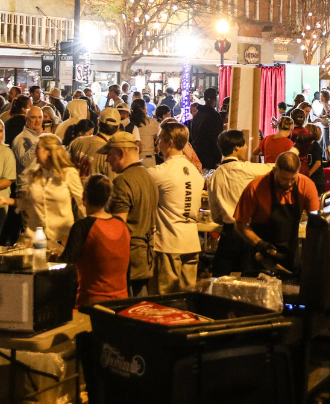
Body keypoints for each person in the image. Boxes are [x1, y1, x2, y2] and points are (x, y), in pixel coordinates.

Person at [234, 152, 319, 272]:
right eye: (284, 179)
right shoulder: (255, 187)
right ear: (274, 171)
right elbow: (240, 225)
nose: (289, 184)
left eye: (292, 179)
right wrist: (260, 244)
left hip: (290, 253)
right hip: (260, 254)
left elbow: (316, 222)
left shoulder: (306, 185)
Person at [59, 175, 131, 307]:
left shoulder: (83, 227)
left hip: (92, 304)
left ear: (84, 196)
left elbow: (66, 264)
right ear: (109, 198)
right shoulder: (122, 224)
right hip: (122, 302)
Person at [208, 130, 272, 276]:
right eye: (244, 145)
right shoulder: (247, 169)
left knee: (221, 281)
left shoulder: (214, 177)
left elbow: (216, 216)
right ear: (236, 147)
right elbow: (276, 167)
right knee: (249, 282)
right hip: (248, 232)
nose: (246, 148)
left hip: (228, 234)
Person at [148, 124, 203, 292]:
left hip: (169, 242)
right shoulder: (195, 172)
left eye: (159, 139)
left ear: (169, 143)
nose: (157, 143)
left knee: (164, 298)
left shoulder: (160, 172)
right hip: (191, 241)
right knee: (187, 297)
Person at [106, 132, 157, 295]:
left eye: (109, 154)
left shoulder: (123, 181)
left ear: (121, 153)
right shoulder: (148, 176)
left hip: (129, 260)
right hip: (146, 257)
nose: (107, 159)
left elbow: (118, 227)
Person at [17, 134, 85, 255]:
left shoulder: (68, 173)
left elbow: (82, 203)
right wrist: (6, 201)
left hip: (61, 240)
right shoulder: (35, 174)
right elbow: (29, 202)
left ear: (49, 151)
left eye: (37, 148)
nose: (34, 153)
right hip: (36, 239)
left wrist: (87, 229)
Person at [69, 107, 121, 182]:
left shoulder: (77, 141)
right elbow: (112, 185)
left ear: (98, 123)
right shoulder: (110, 155)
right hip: (93, 193)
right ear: (118, 127)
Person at [188, 88, 224, 172]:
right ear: (215, 99)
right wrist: (218, 157)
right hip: (209, 155)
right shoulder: (214, 115)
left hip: (197, 153)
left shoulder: (198, 114)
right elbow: (216, 138)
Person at [11, 104, 44, 175]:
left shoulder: (43, 136)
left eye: (40, 117)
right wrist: (38, 142)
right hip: (27, 183)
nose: (37, 121)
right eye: (33, 117)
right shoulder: (20, 139)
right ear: (26, 119)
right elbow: (24, 163)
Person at [128, 98, 160, 168]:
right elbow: (160, 135)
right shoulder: (151, 123)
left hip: (131, 159)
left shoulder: (128, 123)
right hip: (147, 159)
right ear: (144, 109)